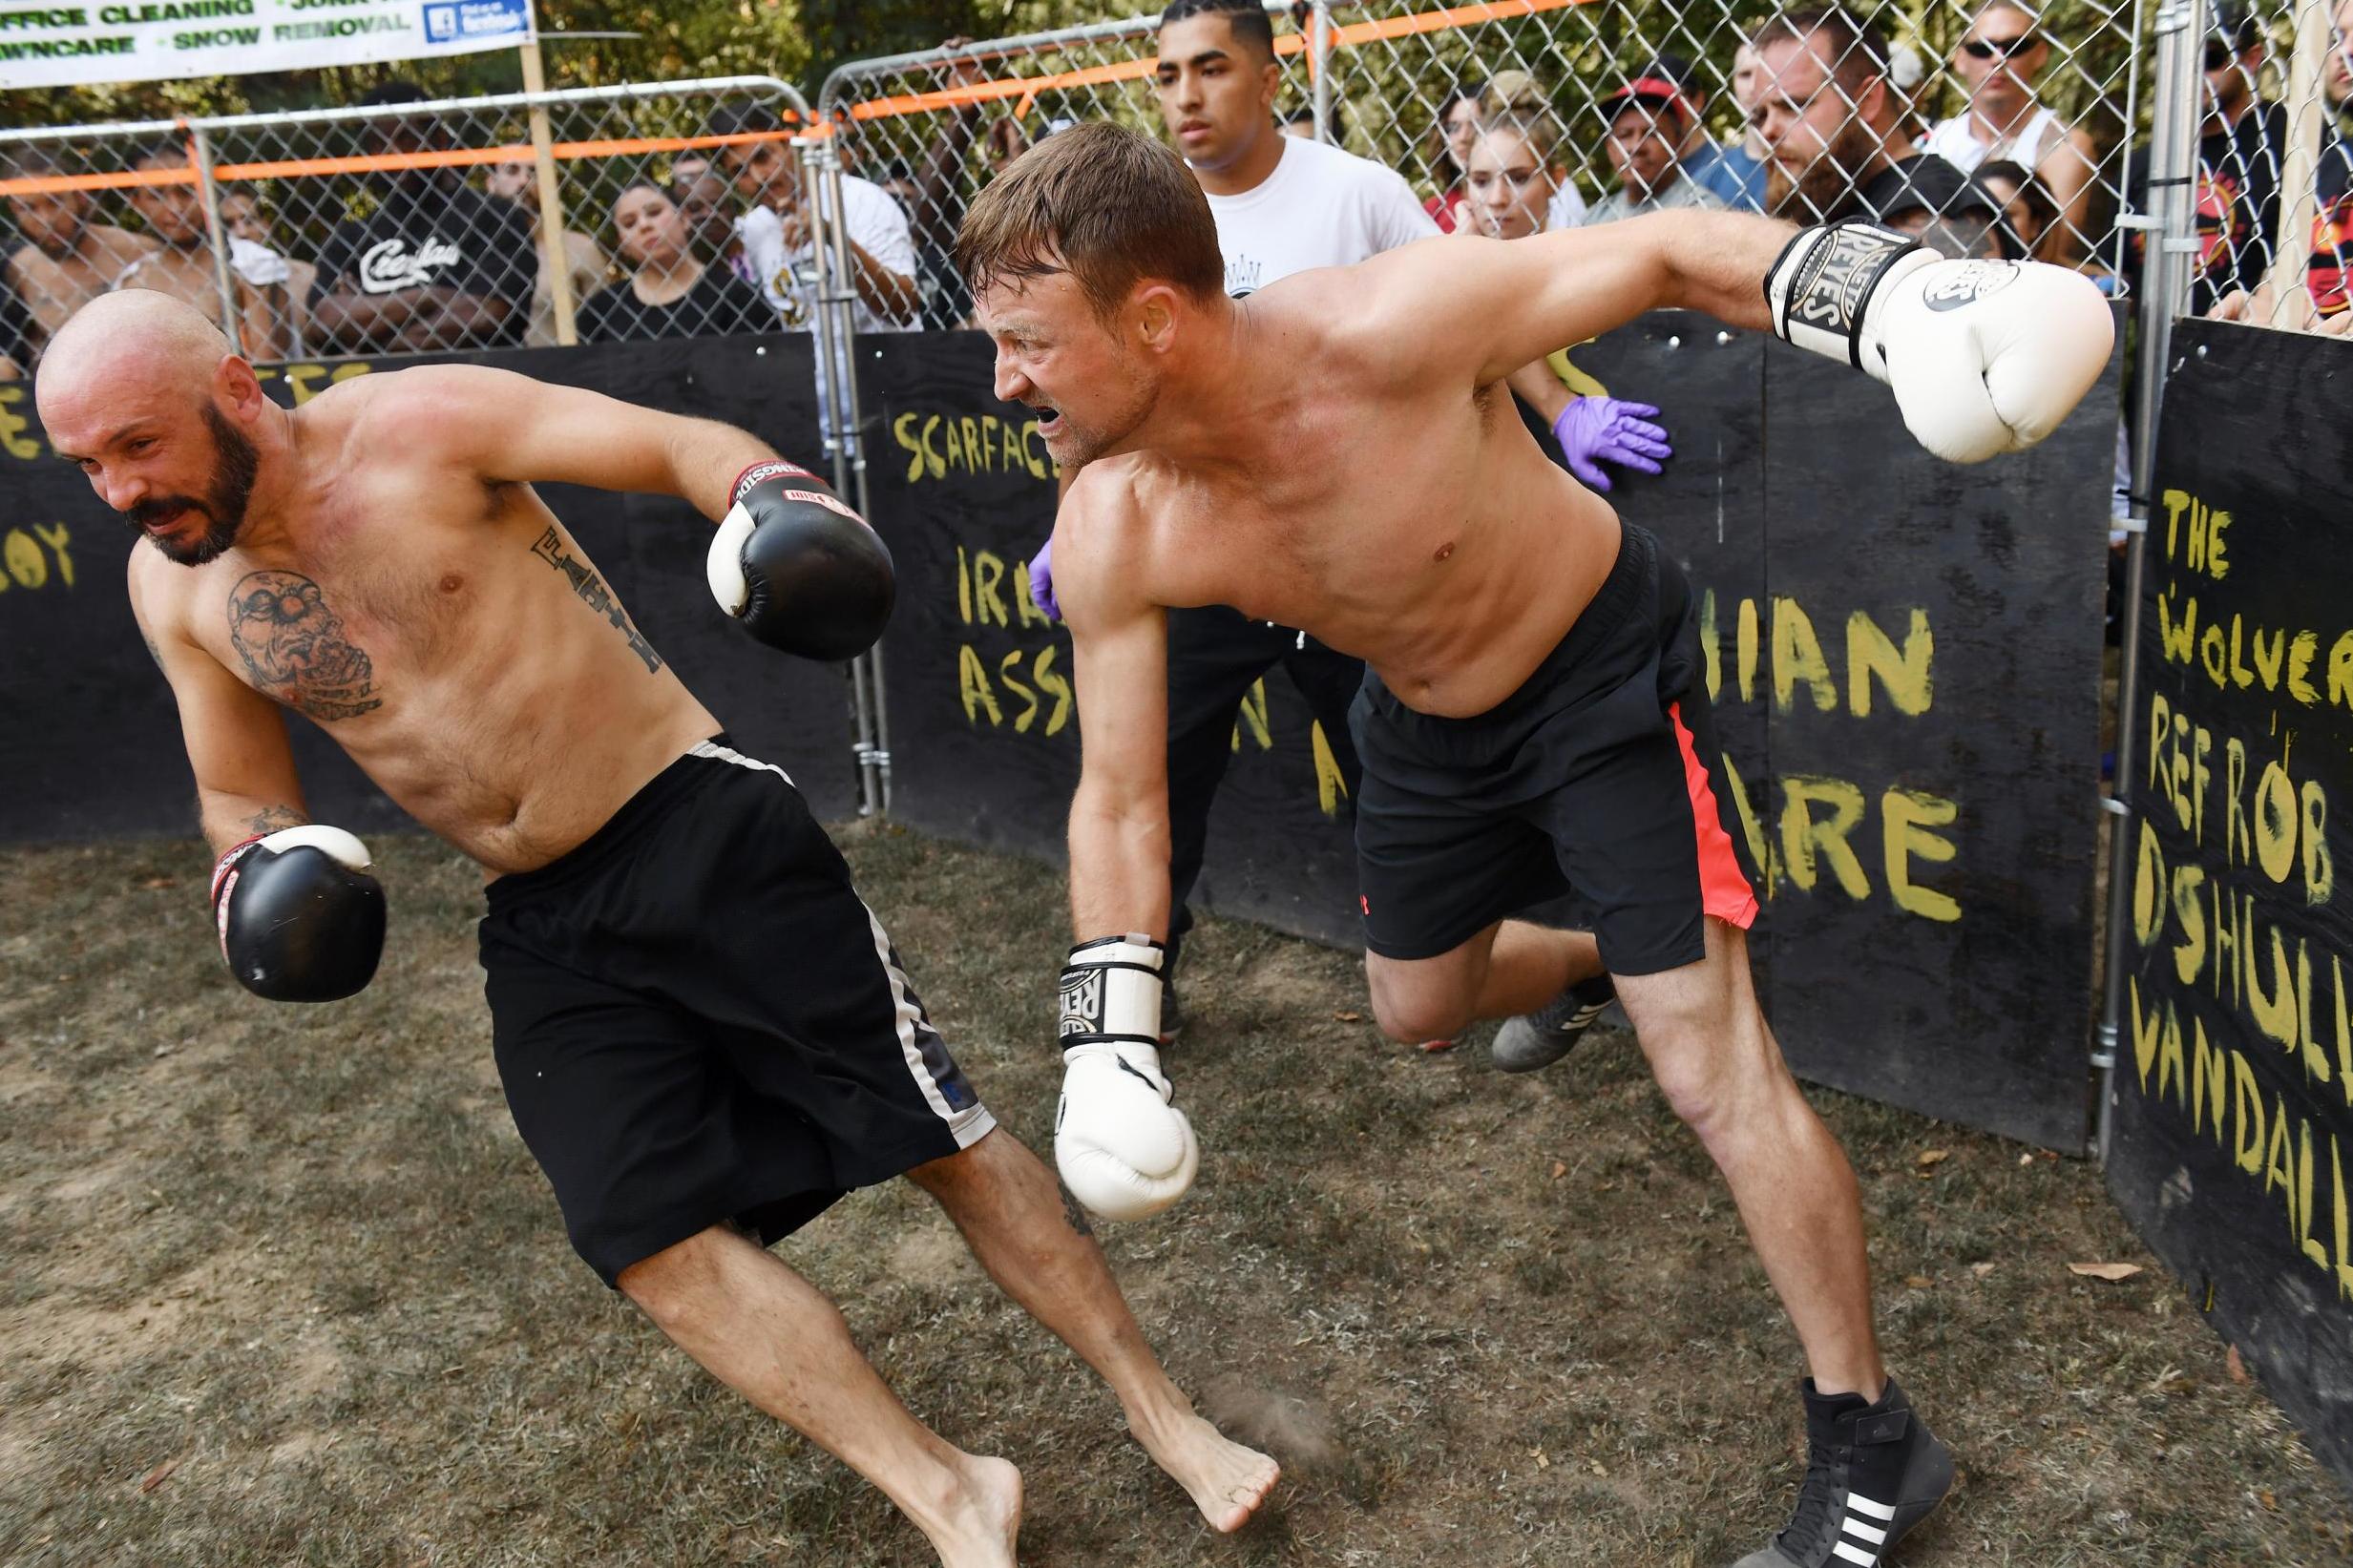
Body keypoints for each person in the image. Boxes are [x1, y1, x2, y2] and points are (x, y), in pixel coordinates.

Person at [957, 120, 2111, 1563]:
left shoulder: (1386, 328)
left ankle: (1875, 1432)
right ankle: (1598, 966)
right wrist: (1105, 1030)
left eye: (1028, 342)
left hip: (1593, 681)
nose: (1002, 381)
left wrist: (1904, 303)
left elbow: (1675, 252)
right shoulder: (1117, 519)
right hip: (1424, 722)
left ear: (1152, 316)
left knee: (1713, 1074)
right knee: (1416, 1005)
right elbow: (1121, 798)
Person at [38, 286, 1279, 1568]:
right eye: (86, 465)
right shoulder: (172, 589)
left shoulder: (424, 425)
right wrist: (250, 865)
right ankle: (952, 1491)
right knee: (643, 1234)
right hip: (540, 915)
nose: (121, 490)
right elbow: (240, 790)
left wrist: (773, 501)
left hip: (694, 821)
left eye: (141, 445)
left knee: (937, 1135)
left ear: (238, 391)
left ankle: (1166, 1413)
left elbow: (679, 448)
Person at [1051, 0, 1666, 1037]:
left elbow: (1469, 309)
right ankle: (1137, 993)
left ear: (1267, 75)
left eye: (1208, 68)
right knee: (1153, 763)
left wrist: (1564, 408)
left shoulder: (1357, 190)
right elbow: (1088, 389)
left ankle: (1539, 955)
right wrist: (1071, 518)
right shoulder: (1142, 222)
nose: (1185, 96)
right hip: (1208, 556)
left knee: (1407, 757)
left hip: (1350, 555)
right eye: (1164, 76)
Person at [309, 82, 538, 355]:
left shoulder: (492, 216)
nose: (393, 154)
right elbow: (322, 322)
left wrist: (372, 339)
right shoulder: (353, 234)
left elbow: (487, 313)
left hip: (475, 377)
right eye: (379, 143)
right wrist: (430, 296)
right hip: (382, 389)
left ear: (438, 140)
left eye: (406, 139)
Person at [1748, 7, 1984, 249]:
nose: (1768, 131)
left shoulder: (1935, 205)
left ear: (1866, 101)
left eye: (1793, 106)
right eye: (1760, 115)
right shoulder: (1838, 196)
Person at [706, 100, 920, 334]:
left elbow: (904, 310)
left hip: (884, 360)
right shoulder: (753, 229)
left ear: (788, 144)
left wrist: (831, 235)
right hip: (804, 367)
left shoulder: (861, 200)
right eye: (740, 171)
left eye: (763, 157)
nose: (759, 177)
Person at [1920, 2, 2099, 261]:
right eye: (1982, 48)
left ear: (2040, 54)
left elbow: (2048, 253)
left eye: (2014, 47)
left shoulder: (2065, 145)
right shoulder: (1937, 138)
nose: (1997, 59)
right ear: (1960, 59)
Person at [116, 139, 294, 362]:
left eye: (186, 192)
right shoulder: (133, 281)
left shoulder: (253, 263)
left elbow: (269, 366)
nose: (176, 208)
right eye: (157, 195)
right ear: (136, 202)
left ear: (206, 190)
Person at [5, 145, 158, 359]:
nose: (47, 220)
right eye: (29, 208)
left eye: (55, 202)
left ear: (80, 197)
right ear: (14, 210)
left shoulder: (137, 250)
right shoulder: (19, 268)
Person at [576, 180, 776, 344]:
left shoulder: (737, 297)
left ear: (684, 218)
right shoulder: (601, 311)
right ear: (622, 244)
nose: (644, 225)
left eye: (654, 212)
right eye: (630, 223)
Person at [1583, 55, 1731, 224]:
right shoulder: (1594, 218)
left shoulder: (1702, 210)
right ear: (1610, 148)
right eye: (1624, 135)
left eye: (1652, 134)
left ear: (1679, 144)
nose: (1637, 147)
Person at [484, 152, 611, 347]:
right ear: (491, 183)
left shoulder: (578, 247)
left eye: (534, 172)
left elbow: (607, 323)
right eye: (512, 170)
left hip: (561, 369)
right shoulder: (476, 253)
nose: (524, 180)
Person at [219, 183, 319, 357]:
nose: (241, 232)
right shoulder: (213, 280)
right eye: (229, 225)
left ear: (266, 225)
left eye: (248, 221)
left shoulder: (305, 274)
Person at [1683, 43, 1773, 212]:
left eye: (1765, 72)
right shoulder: (1711, 175)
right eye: (1745, 75)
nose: (1753, 86)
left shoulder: (1814, 168)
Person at [1422, 78, 1486, 230]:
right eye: (1453, 127)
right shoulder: (1433, 210)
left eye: (1475, 125)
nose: (1464, 137)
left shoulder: (1505, 203)